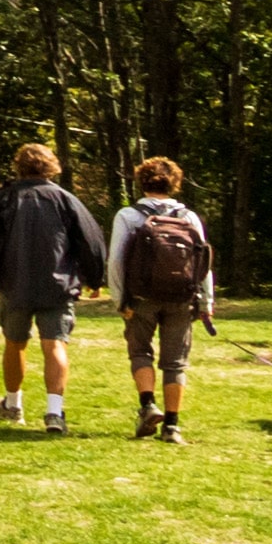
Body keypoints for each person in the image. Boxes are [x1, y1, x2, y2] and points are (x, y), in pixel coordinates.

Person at [0, 141, 111, 433]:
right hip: (57, 286)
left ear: (18, 166)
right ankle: (54, 413)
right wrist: (95, 278)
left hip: (14, 284)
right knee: (55, 344)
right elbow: (91, 241)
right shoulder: (66, 200)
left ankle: (13, 404)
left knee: (14, 342)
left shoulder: (3, 199)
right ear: (51, 167)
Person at [108, 156, 220, 445]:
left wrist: (120, 299)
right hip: (182, 298)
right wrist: (206, 301)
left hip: (141, 297)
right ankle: (172, 427)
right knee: (176, 364)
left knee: (140, 353)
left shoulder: (128, 216)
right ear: (175, 183)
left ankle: (147, 406)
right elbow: (203, 261)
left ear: (141, 181)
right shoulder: (189, 217)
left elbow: (116, 262)